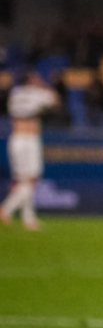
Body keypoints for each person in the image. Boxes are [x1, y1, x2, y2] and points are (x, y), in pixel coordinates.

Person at [2, 71, 60, 231]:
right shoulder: (37, 93)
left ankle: (28, 218)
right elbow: (55, 99)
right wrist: (43, 85)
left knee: (23, 181)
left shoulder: (15, 93)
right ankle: (6, 208)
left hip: (15, 139)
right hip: (29, 140)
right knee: (31, 179)